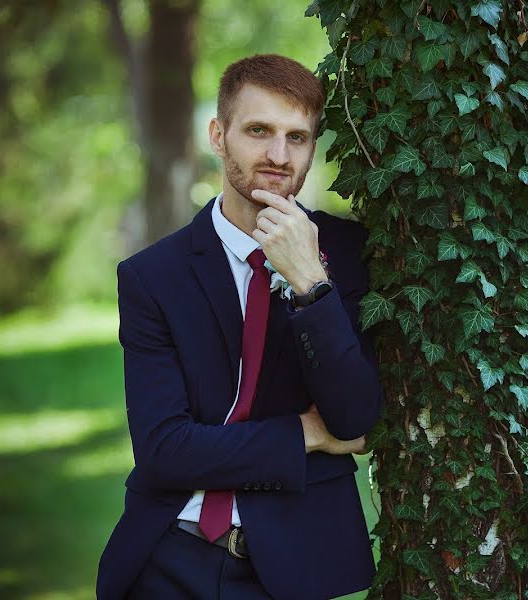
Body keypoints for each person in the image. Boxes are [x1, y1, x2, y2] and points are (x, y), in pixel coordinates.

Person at [96, 54, 384, 599]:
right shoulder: (152, 276)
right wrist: (305, 433)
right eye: (259, 131)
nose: (278, 155)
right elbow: (164, 449)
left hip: (294, 565)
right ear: (218, 135)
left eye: (297, 137)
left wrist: (310, 286)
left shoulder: (348, 255)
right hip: (167, 556)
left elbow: (353, 420)